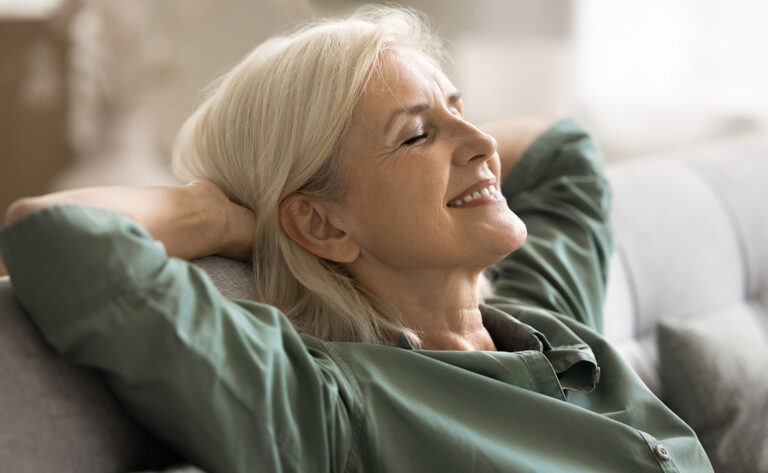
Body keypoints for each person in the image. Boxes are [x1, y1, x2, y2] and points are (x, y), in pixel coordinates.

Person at [0, 5, 713, 473]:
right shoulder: (333, 405)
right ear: (322, 223)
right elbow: (58, 235)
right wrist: (221, 215)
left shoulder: (545, 319)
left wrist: (439, 140)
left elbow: (564, 153)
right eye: (416, 134)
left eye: (462, 111)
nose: (481, 143)